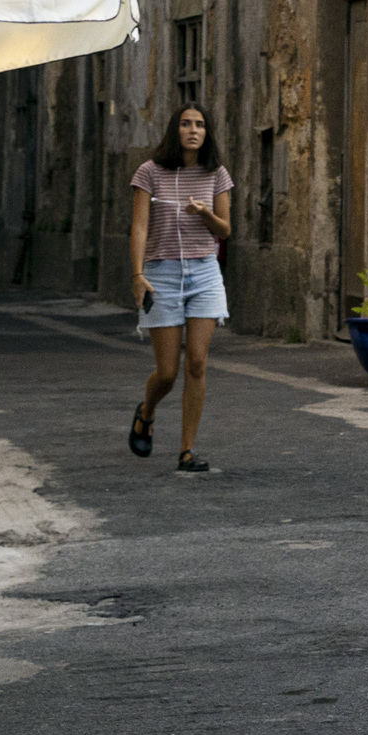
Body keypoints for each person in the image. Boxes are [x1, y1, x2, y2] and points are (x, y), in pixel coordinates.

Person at [129, 103, 232, 474]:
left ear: (207, 132)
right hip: (162, 273)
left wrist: (204, 213)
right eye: (186, 124)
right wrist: (138, 275)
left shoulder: (216, 173)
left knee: (198, 363)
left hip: (204, 273)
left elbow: (224, 231)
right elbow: (139, 227)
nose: (193, 130)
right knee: (168, 372)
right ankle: (147, 411)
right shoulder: (149, 173)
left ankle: (187, 450)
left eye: (200, 124)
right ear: (175, 130)